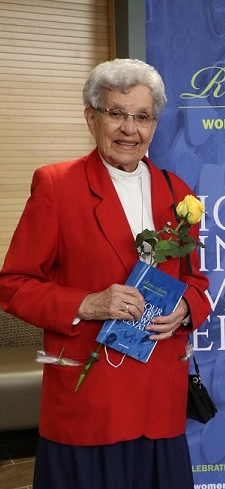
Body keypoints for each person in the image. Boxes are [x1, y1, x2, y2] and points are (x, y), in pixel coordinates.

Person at [0, 59, 211, 488]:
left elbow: (198, 283)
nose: (129, 129)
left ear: (155, 124)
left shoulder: (179, 192)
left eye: (142, 117)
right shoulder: (56, 185)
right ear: (91, 118)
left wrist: (187, 309)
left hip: (159, 398)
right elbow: (13, 285)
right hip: (91, 400)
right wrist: (88, 303)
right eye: (116, 113)